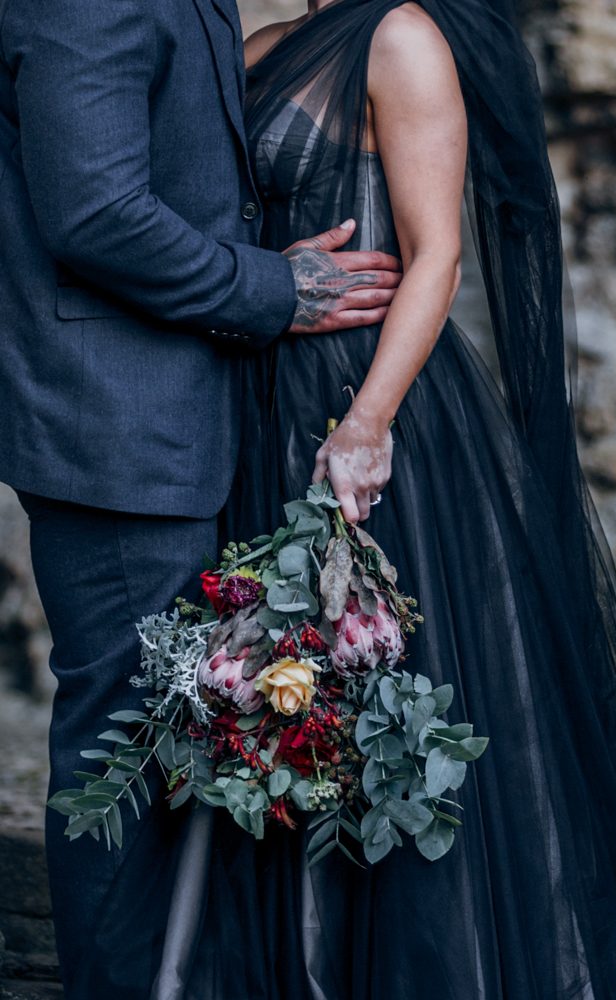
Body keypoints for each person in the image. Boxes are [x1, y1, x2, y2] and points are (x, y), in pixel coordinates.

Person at [34, 0, 616, 997]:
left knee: (380, 692)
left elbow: (434, 260)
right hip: (250, 399)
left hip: (362, 406)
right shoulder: (258, 44)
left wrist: (368, 421)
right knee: (268, 698)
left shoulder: (401, 39)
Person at [0, 0, 403, 992]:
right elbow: (94, 211)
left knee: (191, 743)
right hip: (117, 426)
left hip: (185, 417)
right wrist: (275, 290)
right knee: (126, 751)